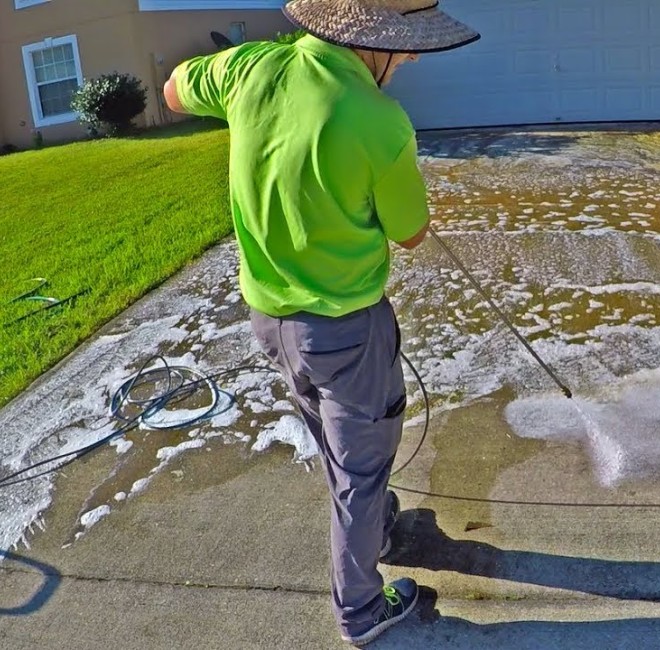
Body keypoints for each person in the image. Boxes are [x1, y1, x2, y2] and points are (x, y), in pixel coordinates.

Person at [162, 0, 479, 645]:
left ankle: (378, 529)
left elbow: (172, 91)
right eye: (404, 43)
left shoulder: (251, 67)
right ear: (370, 39)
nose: (411, 56)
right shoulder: (379, 119)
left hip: (271, 321)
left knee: (340, 447)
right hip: (346, 331)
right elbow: (411, 232)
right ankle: (360, 611)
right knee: (360, 470)